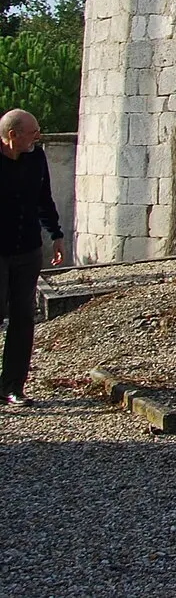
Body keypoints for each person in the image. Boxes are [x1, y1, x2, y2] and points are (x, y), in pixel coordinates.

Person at [0, 109, 64, 407]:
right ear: (13, 135)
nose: (37, 136)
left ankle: (13, 385)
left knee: (24, 317)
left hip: (27, 249)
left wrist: (56, 233)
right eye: (32, 131)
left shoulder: (36, 159)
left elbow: (43, 197)